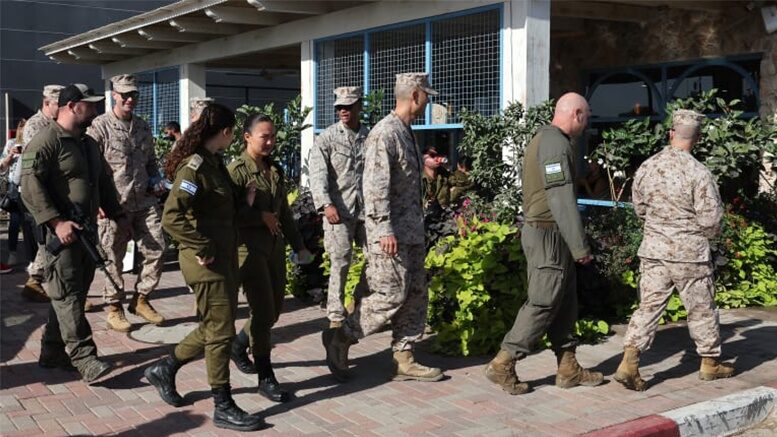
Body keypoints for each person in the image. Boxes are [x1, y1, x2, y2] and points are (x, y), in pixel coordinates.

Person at [144, 104, 264, 431]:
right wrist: (201, 245)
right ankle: (223, 404)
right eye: (233, 131)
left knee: (214, 326)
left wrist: (245, 196)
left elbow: (218, 204)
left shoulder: (214, 162)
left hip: (221, 257)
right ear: (224, 132)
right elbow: (172, 216)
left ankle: (165, 368)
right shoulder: (193, 168)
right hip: (206, 261)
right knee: (222, 331)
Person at [321, 72, 445, 383]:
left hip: (411, 232)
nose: (428, 100)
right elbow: (375, 188)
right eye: (425, 95)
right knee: (390, 293)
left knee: (416, 294)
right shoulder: (385, 134)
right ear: (415, 96)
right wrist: (385, 229)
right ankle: (342, 336)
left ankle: (404, 355)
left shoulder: (406, 131)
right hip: (390, 235)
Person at [484, 93, 603, 395]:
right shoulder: (554, 143)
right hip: (548, 234)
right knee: (544, 300)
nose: (587, 123)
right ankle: (504, 361)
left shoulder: (554, 140)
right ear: (576, 114)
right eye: (587, 116)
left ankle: (568, 367)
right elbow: (560, 199)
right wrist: (580, 248)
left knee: (564, 303)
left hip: (553, 234)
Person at [614, 109, 734, 391]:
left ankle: (629, 362)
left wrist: (658, 228)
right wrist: (702, 236)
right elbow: (711, 220)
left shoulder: (647, 167)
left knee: (649, 307)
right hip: (689, 254)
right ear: (698, 138)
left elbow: (639, 208)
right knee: (701, 308)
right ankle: (709, 363)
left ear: (671, 133)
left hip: (654, 251)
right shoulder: (699, 172)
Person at [20, 83, 123, 382]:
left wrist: (118, 213)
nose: (95, 109)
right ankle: (85, 358)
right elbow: (30, 187)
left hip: (85, 232)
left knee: (72, 296)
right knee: (67, 294)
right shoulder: (45, 141)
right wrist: (56, 222)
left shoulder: (87, 143)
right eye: (89, 105)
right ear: (71, 106)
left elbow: (103, 181)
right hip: (59, 235)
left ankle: (52, 350)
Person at [227, 113, 312, 402]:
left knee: (274, 311)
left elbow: (284, 214)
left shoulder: (273, 170)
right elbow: (229, 215)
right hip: (248, 251)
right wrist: (258, 215)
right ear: (247, 137)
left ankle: (239, 344)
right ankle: (266, 376)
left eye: (273, 136)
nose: (270, 142)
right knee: (263, 314)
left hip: (273, 249)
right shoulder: (236, 172)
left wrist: (298, 245)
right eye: (265, 136)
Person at [88, 74, 167, 332]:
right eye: (125, 95)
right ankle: (114, 307)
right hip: (114, 205)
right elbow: (90, 168)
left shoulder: (143, 127)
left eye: (134, 95)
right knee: (113, 257)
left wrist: (157, 180)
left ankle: (141, 299)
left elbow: (151, 162)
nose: (130, 99)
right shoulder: (99, 127)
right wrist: (97, 200)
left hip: (144, 201)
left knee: (157, 249)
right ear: (114, 95)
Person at [309, 86, 370, 329]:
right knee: (340, 262)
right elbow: (317, 174)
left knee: (374, 260)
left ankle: (358, 302)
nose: (343, 111)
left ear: (358, 107)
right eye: (339, 107)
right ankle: (335, 315)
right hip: (339, 212)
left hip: (366, 211)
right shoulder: (327, 138)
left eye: (348, 106)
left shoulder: (371, 136)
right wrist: (326, 204)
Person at [20, 84, 64, 301]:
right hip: (41, 192)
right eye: (58, 104)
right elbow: (34, 165)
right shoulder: (35, 125)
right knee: (49, 240)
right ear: (47, 103)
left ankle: (34, 281)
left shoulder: (57, 124)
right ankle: (59, 290)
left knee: (50, 241)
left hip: (57, 191)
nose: (63, 108)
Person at [1, 119, 26, 269]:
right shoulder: (11, 143)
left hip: (30, 186)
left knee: (30, 223)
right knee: (15, 221)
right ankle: (13, 253)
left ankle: (33, 257)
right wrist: (11, 155)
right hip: (14, 187)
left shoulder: (34, 141)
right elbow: (2, 165)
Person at [421, 145, 450, 210]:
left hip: (444, 214)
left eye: (437, 155)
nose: (436, 158)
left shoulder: (445, 175)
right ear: (423, 158)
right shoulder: (417, 178)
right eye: (432, 155)